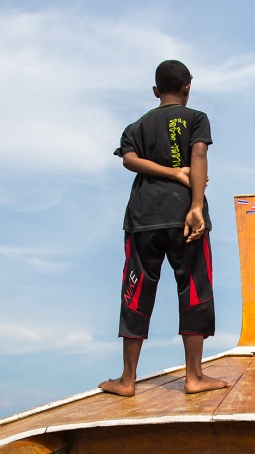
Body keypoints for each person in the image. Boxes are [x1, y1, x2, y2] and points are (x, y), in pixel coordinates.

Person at [99, 60, 229, 397]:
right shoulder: (196, 118)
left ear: (156, 91)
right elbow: (198, 154)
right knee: (194, 288)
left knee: (137, 290)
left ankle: (127, 380)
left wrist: (167, 172)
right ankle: (194, 376)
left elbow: (129, 160)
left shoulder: (137, 125)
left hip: (143, 218)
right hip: (186, 213)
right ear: (188, 86)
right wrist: (196, 204)